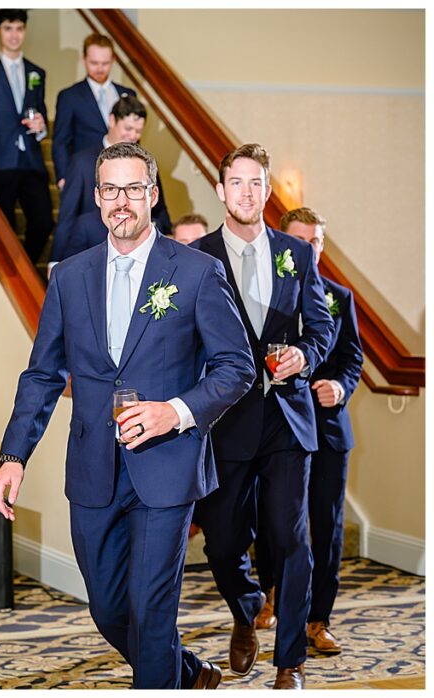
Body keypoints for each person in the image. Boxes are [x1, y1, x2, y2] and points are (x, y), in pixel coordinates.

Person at [0, 142, 255, 689]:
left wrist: (176, 412)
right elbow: (42, 374)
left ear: (152, 195)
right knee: (110, 609)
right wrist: (14, 455)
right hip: (93, 468)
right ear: (96, 197)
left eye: (133, 188)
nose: (122, 201)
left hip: (168, 466)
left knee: (152, 608)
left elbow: (237, 367)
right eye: (110, 189)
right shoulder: (68, 276)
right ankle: (186, 672)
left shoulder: (197, 271)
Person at [190, 144, 334, 689]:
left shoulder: (295, 255)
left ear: (267, 192)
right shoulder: (196, 257)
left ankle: (289, 661)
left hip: (286, 418)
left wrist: (305, 354)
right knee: (224, 542)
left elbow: (321, 327)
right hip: (224, 420)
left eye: (257, 183)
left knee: (290, 537)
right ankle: (247, 608)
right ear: (222, 191)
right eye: (237, 183)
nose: (247, 192)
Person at [252, 207, 363, 655]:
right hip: (279, 430)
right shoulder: (265, 295)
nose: (308, 248)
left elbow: (353, 358)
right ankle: (272, 594)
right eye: (300, 239)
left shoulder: (340, 297)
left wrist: (339, 386)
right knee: (274, 519)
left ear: (321, 245)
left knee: (326, 527)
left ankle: (319, 620)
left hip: (329, 432)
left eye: (315, 241)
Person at [0, 9, 54, 264]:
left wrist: (41, 127)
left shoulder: (36, 72)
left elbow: (41, 111)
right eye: (8, 28)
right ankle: (13, 266)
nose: (14, 35)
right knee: (4, 223)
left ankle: (23, 265)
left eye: (19, 28)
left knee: (43, 221)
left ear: (25, 31)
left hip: (30, 161)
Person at [49, 95, 171, 269]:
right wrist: (55, 260)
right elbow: (67, 215)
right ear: (112, 120)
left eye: (138, 131)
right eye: (128, 128)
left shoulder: (145, 163)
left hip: (137, 255)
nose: (133, 136)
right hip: (89, 252)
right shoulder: (81, 162)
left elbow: (161, 211)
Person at [52, 33, 135, 187]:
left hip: (121, 174)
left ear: (113, 61)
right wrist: (63, 177)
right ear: (83, 60)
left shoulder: (127, 94)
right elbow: (61, 141)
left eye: (105, 63)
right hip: (84, 175)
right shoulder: (69, 96)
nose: (99, 68)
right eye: (94, 63)